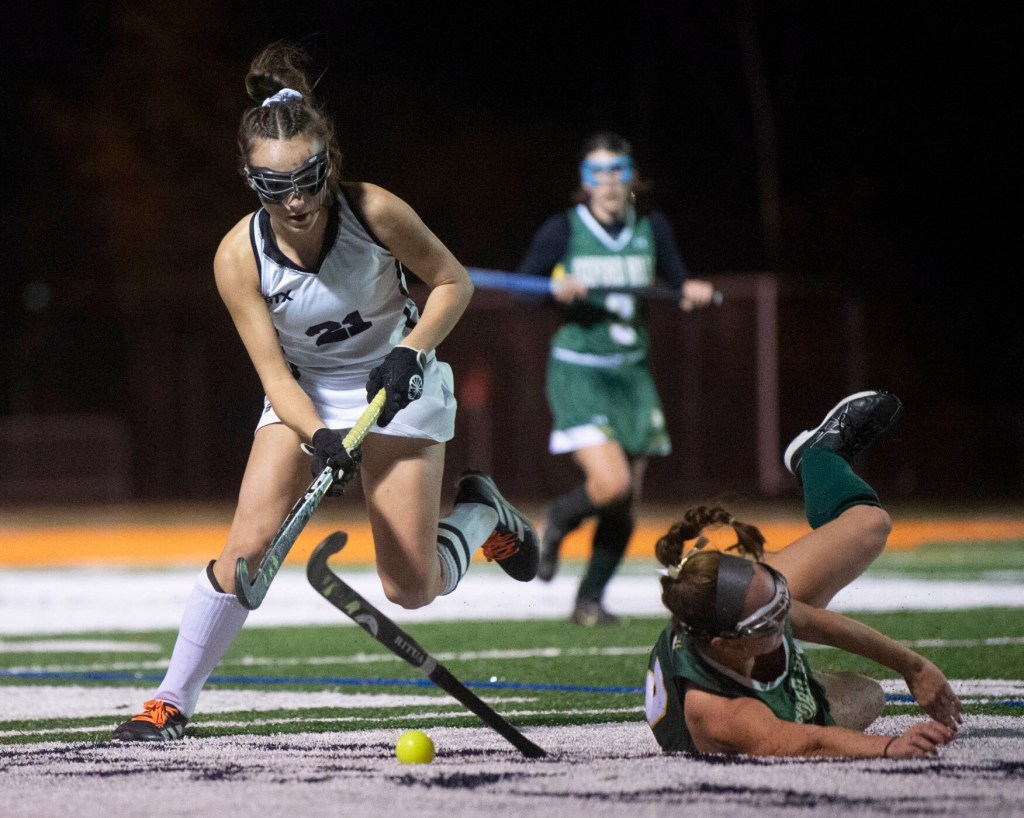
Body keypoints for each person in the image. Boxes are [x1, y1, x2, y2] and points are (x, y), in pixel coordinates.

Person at [111, 41, 538, 742]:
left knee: (411, 587)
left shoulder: (374, 213)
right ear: (250, 180)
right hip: (305, 394)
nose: (299, 200)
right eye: (276, 187)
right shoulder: (237, 257)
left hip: (399, 379)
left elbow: (453, 282)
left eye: (309, 178)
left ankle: (480, 516)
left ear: (328, 162)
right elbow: (276, 376)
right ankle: (170, 701)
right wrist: (319, 439)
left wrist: (410, 350)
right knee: (246, 549)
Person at [645, 390, 964, 758]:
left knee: (869, 525)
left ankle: (818, 456)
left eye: (780, 595)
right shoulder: (722, 714)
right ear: (727, 643)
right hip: (750, 704)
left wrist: (914, 666)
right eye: (769, 619)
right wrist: (889, 746)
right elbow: (812, 742)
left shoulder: (745, 613)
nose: (786, 614)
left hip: (737, 638)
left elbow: (819, 623)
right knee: (866, 697)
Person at [516, 131, 717, 625]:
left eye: (618, 171)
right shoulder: (562, 231)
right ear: (583, 183)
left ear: (633, 178)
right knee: (610, 483)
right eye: (596, 173)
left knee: (626, 501)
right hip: (579, 372)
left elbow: (675, 282)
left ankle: (589, 599)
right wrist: (553, 288)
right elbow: (523, 291)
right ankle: (557, 519)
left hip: (633, 375)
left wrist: (689, 290)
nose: (608, 183)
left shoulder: (652, 226)